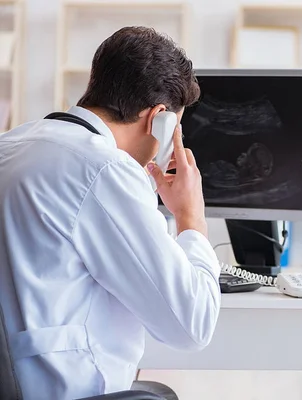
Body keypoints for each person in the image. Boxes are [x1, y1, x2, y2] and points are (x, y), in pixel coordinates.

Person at [0, 27, 221, 399]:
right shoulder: (104, 170)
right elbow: (192, 325)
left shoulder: (13, 143)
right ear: (160, 119)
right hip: (66, 389)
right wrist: (191, 218)